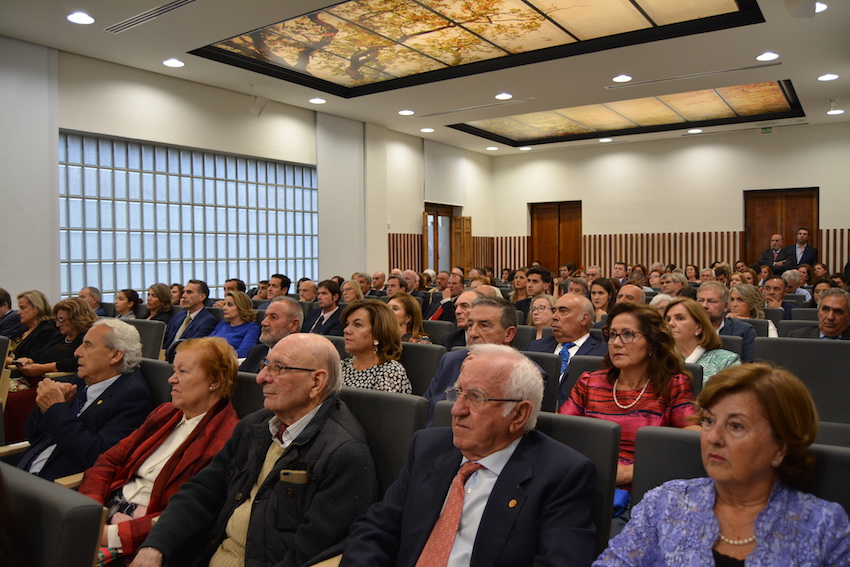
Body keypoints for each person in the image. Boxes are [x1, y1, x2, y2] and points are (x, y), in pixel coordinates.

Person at [130, 333, 379, 567]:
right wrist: (156, 544)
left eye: (278, 368)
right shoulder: (255, 426)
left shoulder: (345, 455)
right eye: (265, 365)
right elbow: (203, 491)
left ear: (316, 381)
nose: (261, 378)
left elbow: (308, 553)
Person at [342, 344, 597, 567]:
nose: (457, 409)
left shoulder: (562, 476)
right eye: (457, 393)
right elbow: (376, 530)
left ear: (518, 415)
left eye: (476, 397)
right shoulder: (428, 448)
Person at [594, 363, 850, 566]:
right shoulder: (666, 502)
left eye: (736, 426)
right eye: (708, 421)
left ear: (781, 446)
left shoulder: (825, 526)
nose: (713, 438)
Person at [78, 337, 240, 564]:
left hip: (148, 534)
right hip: (105, 511)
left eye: (183, 371)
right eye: (174, 370)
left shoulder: (226, 438)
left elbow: (190, 512)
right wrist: (91, 509)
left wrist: (110, 535)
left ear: (215, 380)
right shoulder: (165, 413)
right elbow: (108, 460)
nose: (171, 379)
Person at [560, 302, 699, 493]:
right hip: (588, 482)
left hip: (645, 487)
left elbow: (693, 437)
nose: (616, 343)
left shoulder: (673, 385)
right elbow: (562, 434)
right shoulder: (589, 382)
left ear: (651, 342)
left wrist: (634, 470)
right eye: (613, 335)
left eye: (628, 334)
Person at [16, 319, 154, 481]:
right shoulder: (82, 379)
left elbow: (97, 456)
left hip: (56, 487)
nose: (77, 352)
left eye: (88, 345)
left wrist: (56, 409)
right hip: (24, 471)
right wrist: (44, 407)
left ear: (115, 355)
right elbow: (32, 435)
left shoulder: (132, 396)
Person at [4, 297, 98, 443]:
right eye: (57, 320)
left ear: (76, 319)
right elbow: (40, 353)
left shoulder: (85, 338)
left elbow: (74, 363)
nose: (58, 324)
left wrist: (43, 368)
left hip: (57, 384)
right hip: (36, 378)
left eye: (62, 320)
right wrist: (30, 360)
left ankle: (14, 441)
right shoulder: (60, 335)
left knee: (11, 400)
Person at [424, 296, 519, 425]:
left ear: (508, 334)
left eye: (484, 325)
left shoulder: (523, 374)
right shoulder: (450, 360)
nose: (472, 333)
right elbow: (425, 410)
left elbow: (504, 427)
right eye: (470, 325)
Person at [525, 294, 607, 407]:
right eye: (554, 311)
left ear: (584, 319)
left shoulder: (602, 353)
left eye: (563, 311)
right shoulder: (535, 348)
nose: (554, 316)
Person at [340, 298, 411, 394]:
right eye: (347, 324)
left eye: (357, 325)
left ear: (378, 333)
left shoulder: (390, 373)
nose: (346, 330)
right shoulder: (341, 367)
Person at [664, 298, 740, 383]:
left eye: (680, 318)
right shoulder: (659, 359)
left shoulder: (726, 361)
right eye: (668, 319)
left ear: (699, 327)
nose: (670, 324)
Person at [239, 296, 302, 374]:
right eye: (265, 316)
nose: (264, 322)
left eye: (273, 317)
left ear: (293, 325)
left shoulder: (302, 361)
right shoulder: (256, 352)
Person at [697, 282, 757, 362]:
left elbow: (749, 366)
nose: (704, 305)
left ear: (725, 306)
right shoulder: (686, 329)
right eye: (700, 301)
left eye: (711, 301)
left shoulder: (744, 331)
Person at [5, 290, 61, 369]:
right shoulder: (24, 329)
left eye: (22, 308)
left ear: (36, 308)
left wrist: (6, 360)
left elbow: (34, 360)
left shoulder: (47, 330)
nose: (18, 312)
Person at [162, 280, 217, 350]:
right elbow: (164, 338)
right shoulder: (178, 315)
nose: (183, 296)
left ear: (202, 297)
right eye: (184, 292)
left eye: (189, 292)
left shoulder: (208, 321)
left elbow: (192, 347)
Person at [209, 290, 261, 357]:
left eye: (230, 305)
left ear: (241, 307)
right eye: (224, 304)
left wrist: (218, 355)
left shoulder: (252, 327)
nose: (224, 308)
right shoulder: (223, 324)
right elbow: (207, 342)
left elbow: (244, 352)